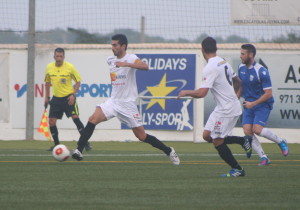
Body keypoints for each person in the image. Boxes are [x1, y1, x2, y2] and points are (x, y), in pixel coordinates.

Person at [72, 34, 180, 165]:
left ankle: (169, 151)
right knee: (92, 119)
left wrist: (127, 64)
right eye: (112, 45)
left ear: (123, 46)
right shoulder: (110, 60)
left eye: (115, 45)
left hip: (128, 104)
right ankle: (79, 150)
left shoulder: (131, 58)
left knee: (141, 136)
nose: (112, 47)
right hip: (113, 102)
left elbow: (145, 66)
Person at [177, 37, 251, 177]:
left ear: (202, 49)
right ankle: (242, 140)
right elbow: (238, 81)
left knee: (217, 141)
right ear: (216, 48)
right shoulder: (223, 62)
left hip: (227, 109)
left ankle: (238, 169)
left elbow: (202, 93)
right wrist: (236, 96)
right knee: (206, 135)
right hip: (223, 107)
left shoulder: (210, 67)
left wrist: (186, 92)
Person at [237, 44, 289, 165]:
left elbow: (268, 94)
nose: (240, 56)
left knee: (257, 129)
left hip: (262, 104)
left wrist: (253, 104)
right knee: (247, 130)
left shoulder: (261, 71)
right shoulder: (241, 68)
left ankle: (281, 142)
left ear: (250, 55)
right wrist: (236, 97)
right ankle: (264, 157)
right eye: (240, 54)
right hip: (248, 104)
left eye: (243, 54)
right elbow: (240, 85)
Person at [44, 48, 92, 151]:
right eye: (57, 56)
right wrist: (47, 97)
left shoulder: (69, 67)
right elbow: (47, 82)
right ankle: (57, 145)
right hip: (56, 99)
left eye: (61, 56)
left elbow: (78, 82)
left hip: (68, 98)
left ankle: (85, 143)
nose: (59, 58)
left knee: (75, 118)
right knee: (51, 122)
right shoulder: (49, 67)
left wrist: (73, 95)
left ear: (64, 57)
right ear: (54, 57)